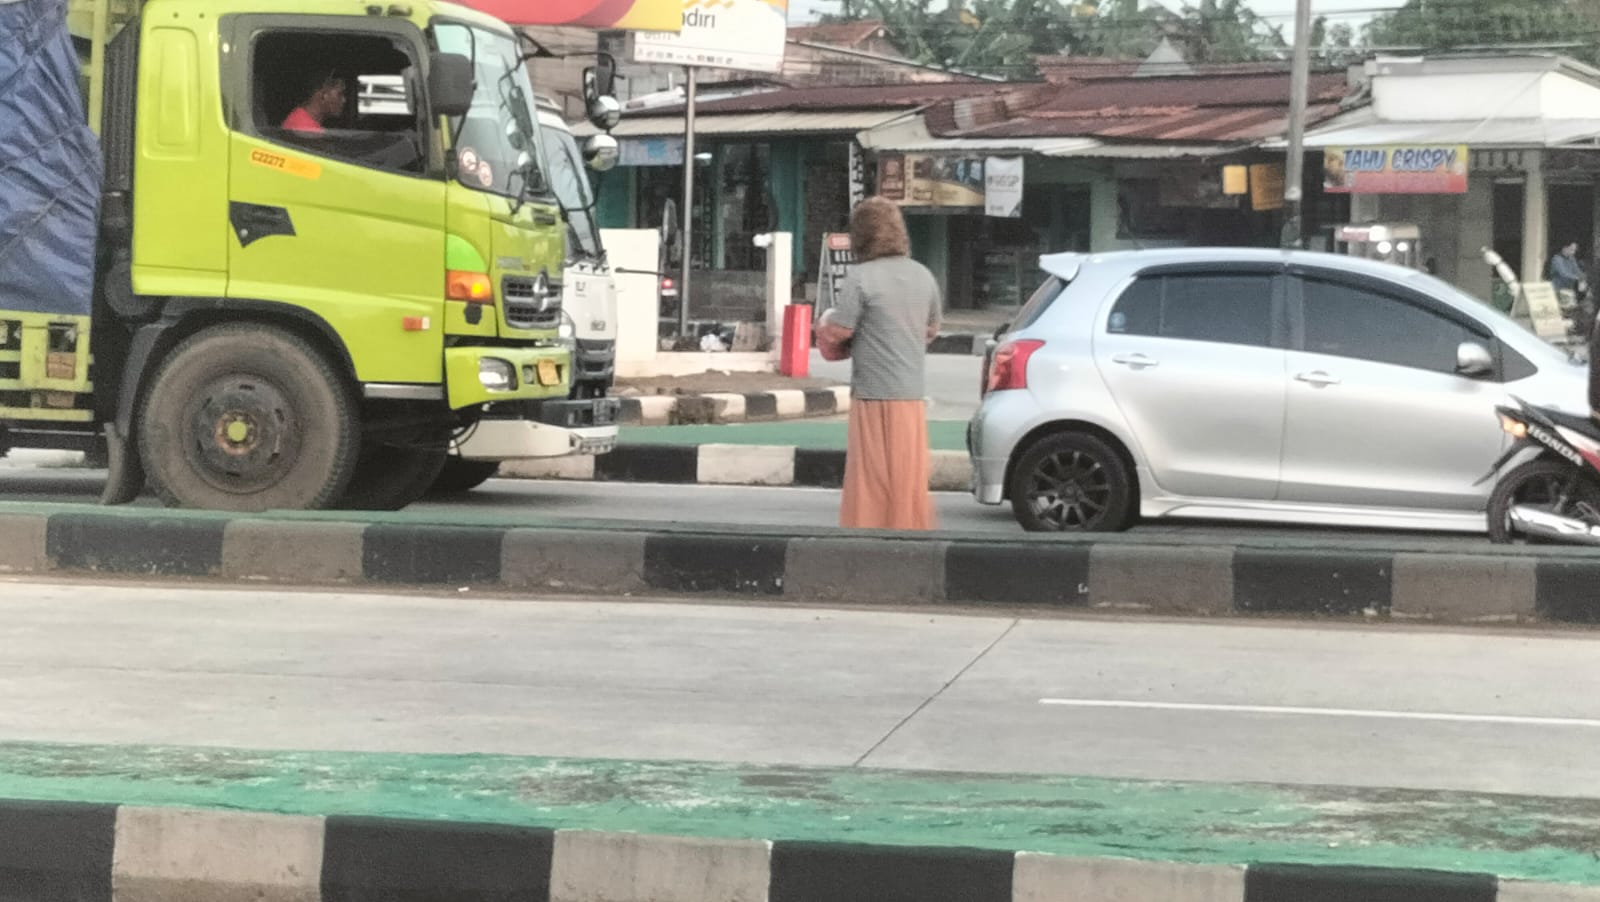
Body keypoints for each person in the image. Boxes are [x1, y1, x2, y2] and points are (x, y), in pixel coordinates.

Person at [816, 197, 941, 530]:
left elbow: (840, 329)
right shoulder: (923, 275)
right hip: (911, 393)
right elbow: (930, 329)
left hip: (872, 391)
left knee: (870, 475)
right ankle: (910, 533)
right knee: (908, 477)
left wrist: (822, 326)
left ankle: (868, 536)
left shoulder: (860, 277)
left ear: (860, 236)